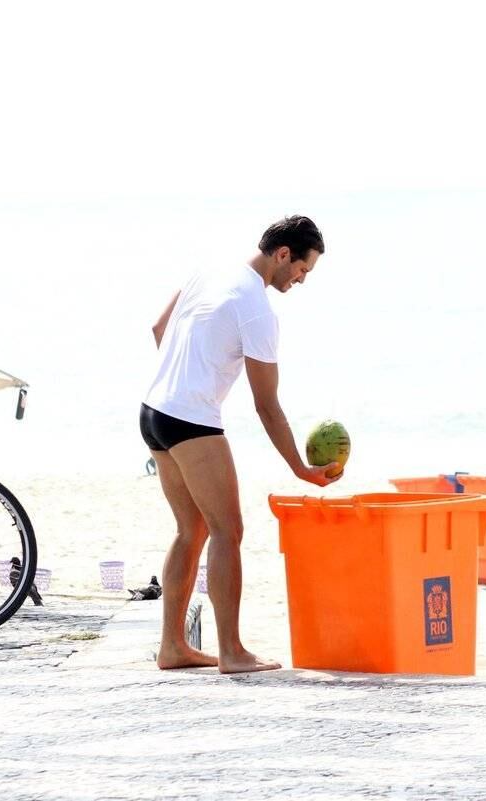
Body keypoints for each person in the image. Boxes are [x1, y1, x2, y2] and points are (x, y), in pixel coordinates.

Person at [140, 215, 340, 674]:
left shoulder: (209, 270)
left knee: (192, 531)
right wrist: (300, 470)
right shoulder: (257, 309)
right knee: (227, 531)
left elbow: (157, 329)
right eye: (302, 270)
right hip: (190, 420)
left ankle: (173, 647)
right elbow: (267, 406)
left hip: (153, 411)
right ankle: (232, 652)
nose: (300, 281)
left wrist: (187, 378)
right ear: (283, 254)